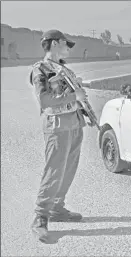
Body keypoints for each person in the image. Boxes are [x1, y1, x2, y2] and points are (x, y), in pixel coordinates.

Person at [29, 29, 88, 243]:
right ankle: (40, 218)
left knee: (68, 170)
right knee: (54, 172)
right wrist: (75, 95)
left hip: (73, 125)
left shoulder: (63, 68)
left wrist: (79, 94)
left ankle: (57, 207)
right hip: (57, 127)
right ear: (54, 43)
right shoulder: (41, 69)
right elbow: (44, 100)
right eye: (65, 43)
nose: (68, 48)